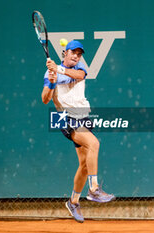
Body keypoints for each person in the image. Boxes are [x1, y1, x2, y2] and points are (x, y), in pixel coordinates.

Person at [41, 40, 115, 223]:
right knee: (94, 143)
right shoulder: (51, 73)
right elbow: (45, 99)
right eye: (72, 52)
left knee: (84, 165)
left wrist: (58, 71)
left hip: (83, 116)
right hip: (65, 117)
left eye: (79, 53)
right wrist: (51, 83)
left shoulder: (80, 68)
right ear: (64, 53)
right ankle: (94, 189)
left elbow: (78, 76)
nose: (76, 56)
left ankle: (73, 202)